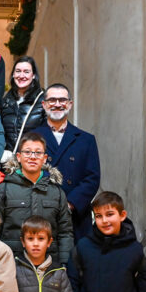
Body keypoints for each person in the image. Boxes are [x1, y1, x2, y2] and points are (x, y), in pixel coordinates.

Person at [0, 132, 74, 264]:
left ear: (45, 158)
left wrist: (64, 264)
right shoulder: (4, 189)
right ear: (19, 156)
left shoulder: (56, 192)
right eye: (27, 152)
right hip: (11, 263)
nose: (32, 157)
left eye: (38, 153)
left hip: (49, 264)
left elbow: (65, 232)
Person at [33, 83, 101, 240]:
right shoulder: (31, 137)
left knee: (74, 262)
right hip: (40, 215)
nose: (57, 104)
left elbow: (92, 178)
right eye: (52, 100)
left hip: (76, 218)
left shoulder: (86, 140)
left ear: (70, 104)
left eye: (62, 100)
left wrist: (69, 204)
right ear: (44, 105)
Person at [0, 56, 46, 152]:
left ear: (33, 75)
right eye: (18, 71)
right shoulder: (5, 101)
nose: (21, 76)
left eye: (26, 72)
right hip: (9, 161)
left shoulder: (43, 100)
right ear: (13, 74)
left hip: (32, 158)